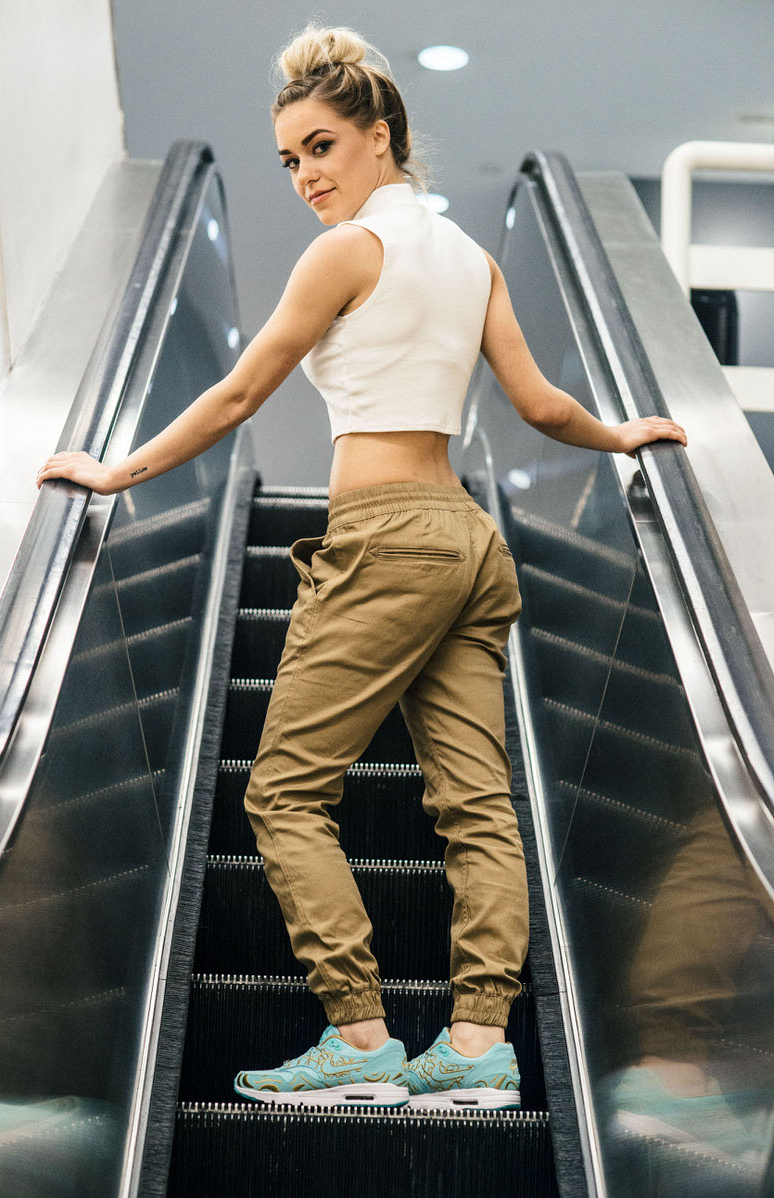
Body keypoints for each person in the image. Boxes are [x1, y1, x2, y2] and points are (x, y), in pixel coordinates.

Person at [35, 21, 688, 1111]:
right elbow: (534, 404)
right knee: (476, 809)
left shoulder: (345, 253)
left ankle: (360, 1034)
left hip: (384, 538)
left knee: (285, 790)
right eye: (290, 158)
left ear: (379, 138)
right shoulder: (468, 259)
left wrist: (119, 470)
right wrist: (616, 436)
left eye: (321, 147)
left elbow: (243, 391)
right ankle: (478, 1046)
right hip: (467, 544)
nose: (303, 176)